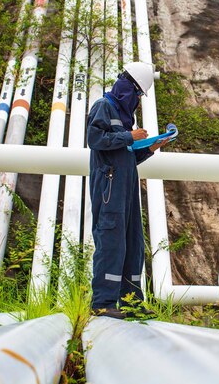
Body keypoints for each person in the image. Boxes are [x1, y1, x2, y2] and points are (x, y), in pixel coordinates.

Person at [86, 62, 169, 319]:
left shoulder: (125, 118)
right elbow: (95, 139)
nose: (137, 100)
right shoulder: (104, 106)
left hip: (127, 189)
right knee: (111, 241)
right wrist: (129, 137)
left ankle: (131, 302)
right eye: (138, 94)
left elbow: (127, 155)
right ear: (129, 88)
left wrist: (151, 146)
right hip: (109, 188)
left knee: (132, 243)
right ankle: (103, 302)